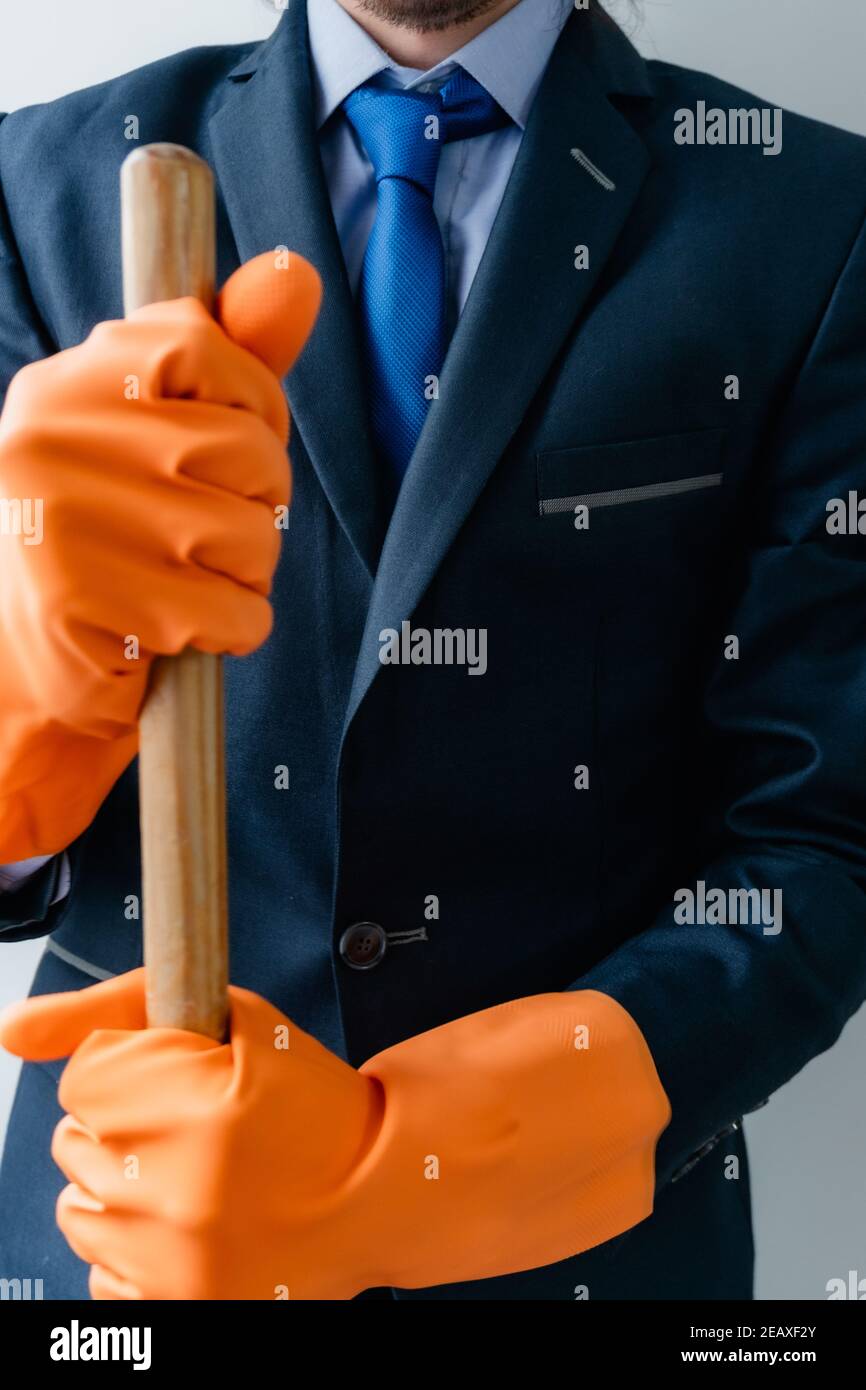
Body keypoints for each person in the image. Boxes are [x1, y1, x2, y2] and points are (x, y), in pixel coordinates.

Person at [0, 0, 864, 1302]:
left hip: (586, 1264)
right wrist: (32, 695)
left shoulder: (813, 216)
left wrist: (419, 1164)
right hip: (114, 1239)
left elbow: (822, 843)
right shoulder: (30, 181)